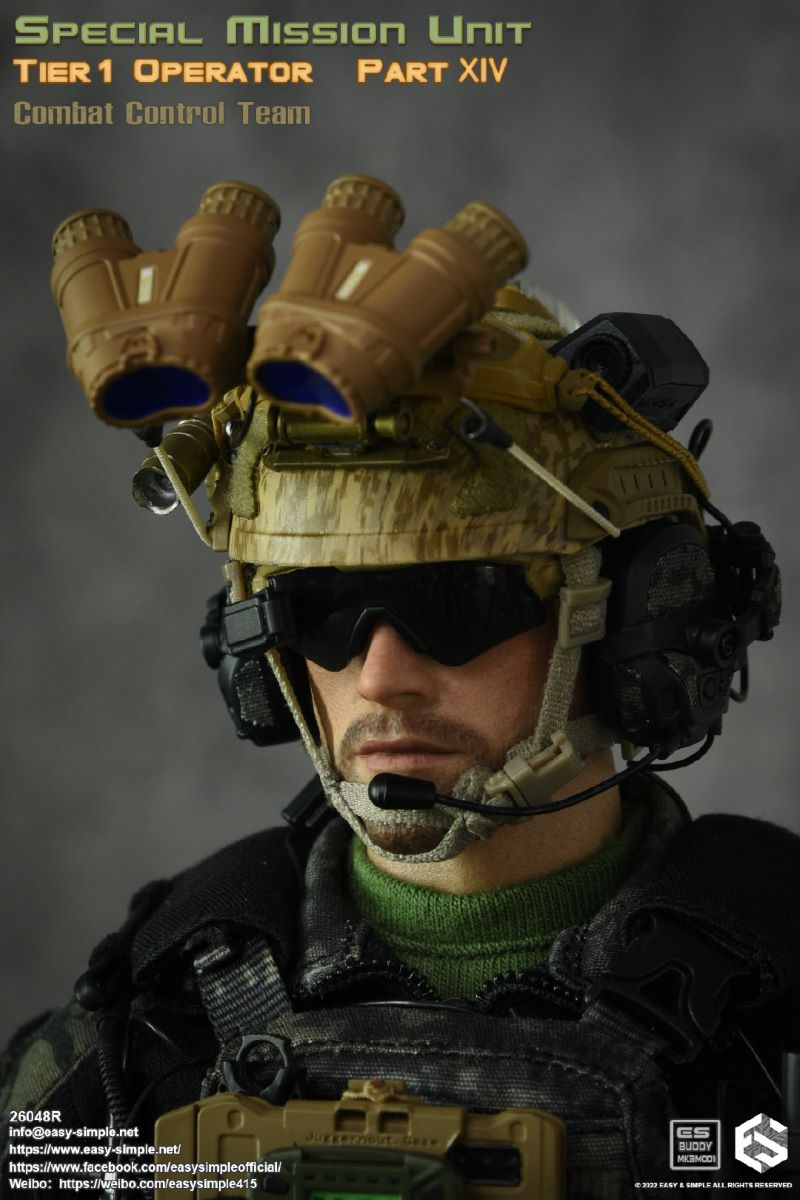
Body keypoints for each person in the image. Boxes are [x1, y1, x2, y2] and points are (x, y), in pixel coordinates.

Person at [1, 176, 796, 1198]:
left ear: (645, 622)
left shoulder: (772, 1009)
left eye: (457, 602)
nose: (380, 677)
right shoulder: (140, 1032)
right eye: (319, 608)